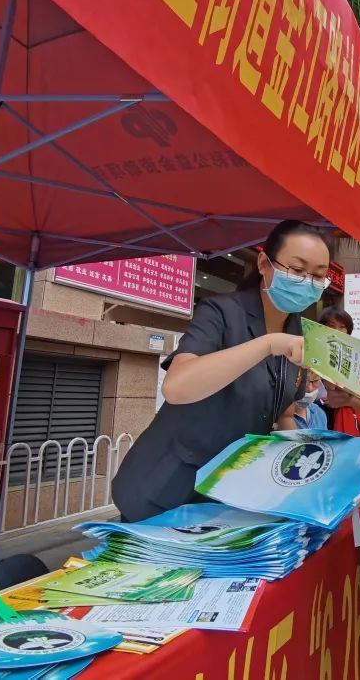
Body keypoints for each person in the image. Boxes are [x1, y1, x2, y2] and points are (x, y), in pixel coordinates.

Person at [111, 220, 332, 523]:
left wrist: (309, 466)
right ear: (264, 263)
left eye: (318, 276)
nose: (307, 282)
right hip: (167, 489)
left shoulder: (299, 335)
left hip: (228, 496)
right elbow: (176, 387)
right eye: (296, 269)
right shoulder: (221, 313)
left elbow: (283, 413)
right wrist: (268, 344)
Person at [316, 307, 360, 435]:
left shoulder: (357, 357)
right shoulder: (314, 353)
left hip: (345, 416)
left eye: (342, 327)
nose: (337, 331)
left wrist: (345, 400)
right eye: (332, 326)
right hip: (319, 414)